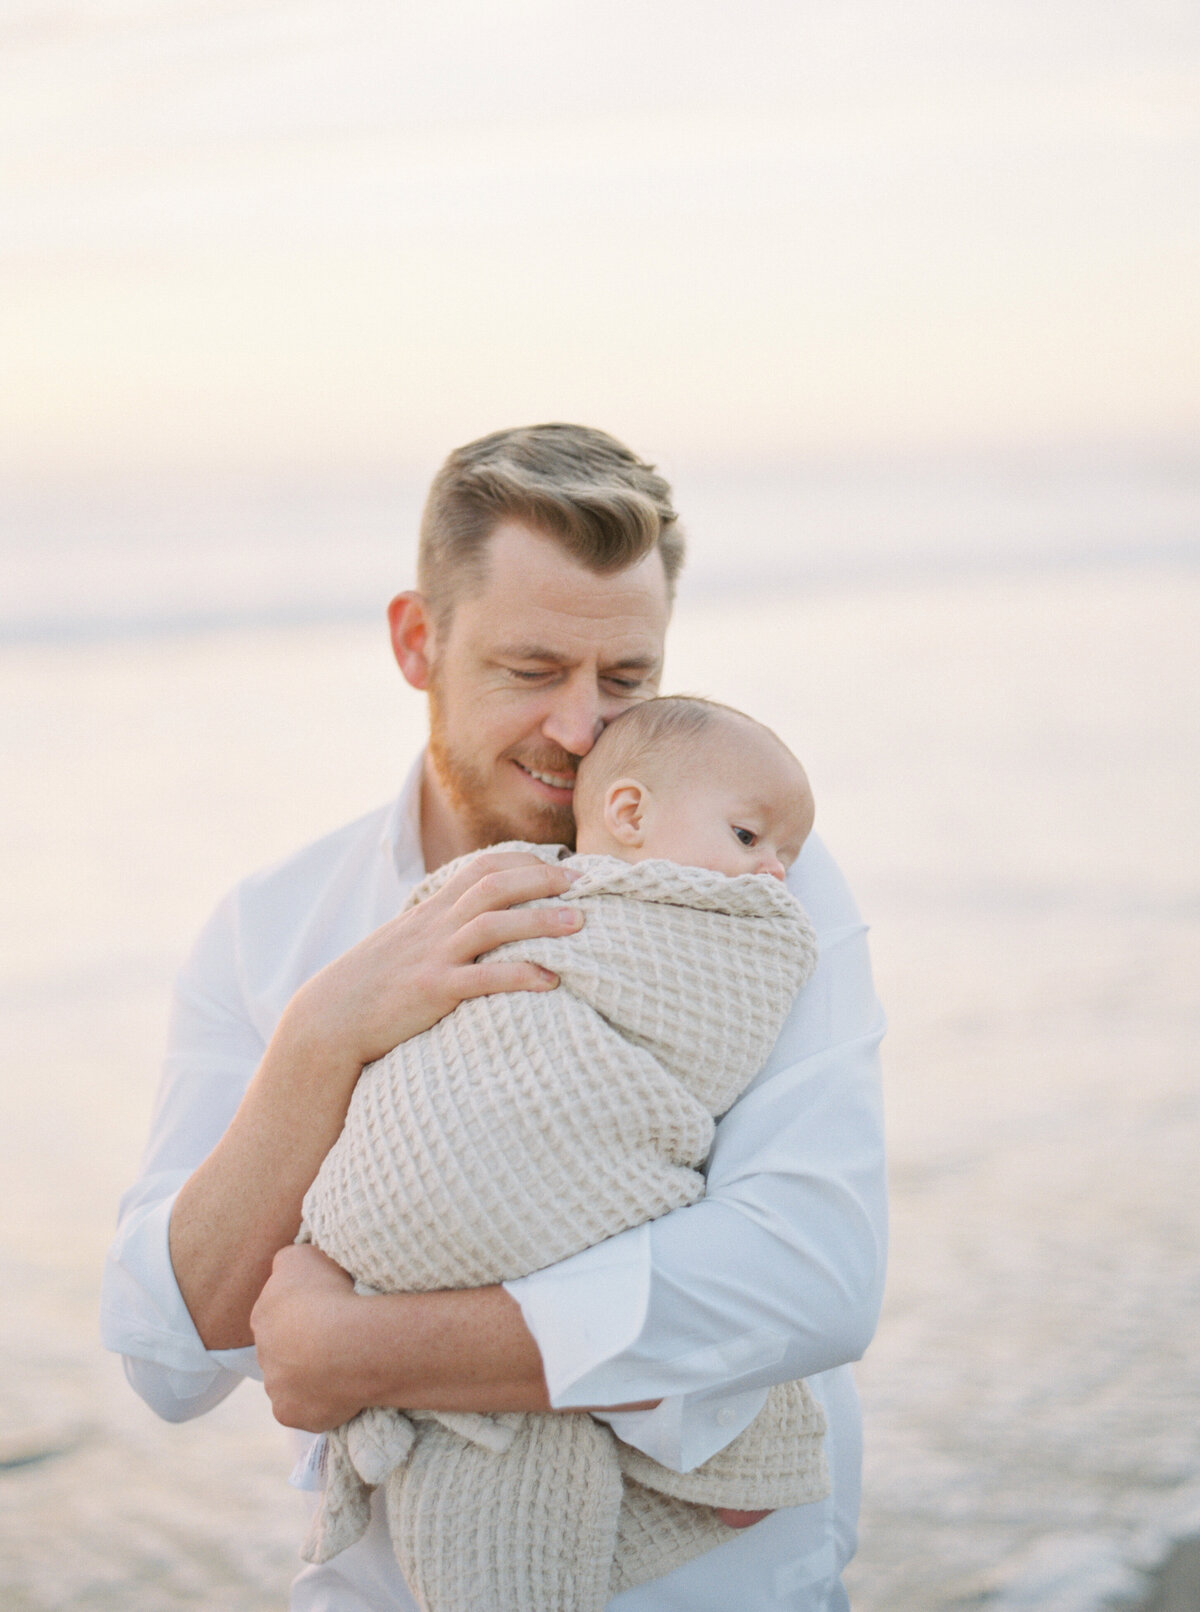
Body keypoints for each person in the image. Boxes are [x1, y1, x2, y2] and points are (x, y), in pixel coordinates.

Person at [101, 422, 888, 1612]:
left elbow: (812, 1276)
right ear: (419, 641)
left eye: (626, 678)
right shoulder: (274, 932)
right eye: (532, 671)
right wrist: (324, 1039)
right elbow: (167, 1352)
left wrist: (364, 1352)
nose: (582, 730)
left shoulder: (750, 883)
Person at [299, 696, 827, 1610]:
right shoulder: (499, 891)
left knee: (498, 1512)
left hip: (392, 1248)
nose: (775, 878)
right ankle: (723, 1444)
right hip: (423, 1178)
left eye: (785, 856)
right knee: (731, 1408)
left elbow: (700, 1041)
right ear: (627, 815)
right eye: (749, 839)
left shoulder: (727, 922)